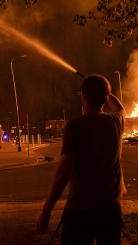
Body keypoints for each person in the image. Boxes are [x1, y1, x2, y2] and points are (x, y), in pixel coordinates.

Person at [36, 74, 127, 245]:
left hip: (81, 209)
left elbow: (63, 172)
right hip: (111, 209)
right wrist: (107, 93)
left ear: (83, 96)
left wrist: (47, 210)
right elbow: (120, 108)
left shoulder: (75, 127)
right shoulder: (115, 122)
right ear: (105, 98)